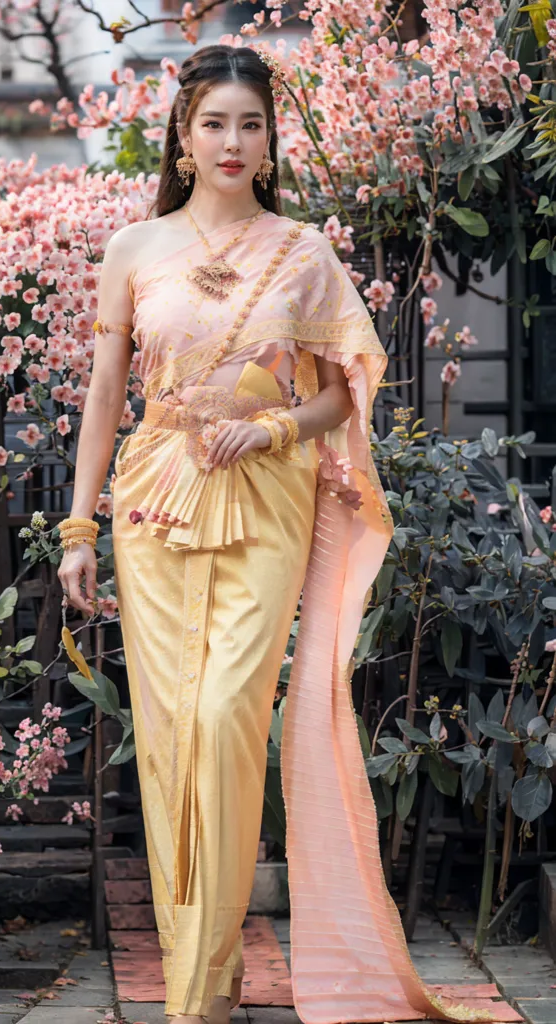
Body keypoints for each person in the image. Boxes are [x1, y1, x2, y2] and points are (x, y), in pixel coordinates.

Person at [57, 43, 508, 1024]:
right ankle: (203, 980)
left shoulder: (301, 252)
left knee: (225, 715)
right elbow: (103, 397)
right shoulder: (134, 251)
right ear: (181, 138)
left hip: (266, 500)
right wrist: (76, 527)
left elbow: (345, 398)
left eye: (250, 124)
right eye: (213, 122)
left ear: (269, 142)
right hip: (152, 503)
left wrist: (270, 425)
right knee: (173, 743)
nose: (231, 140)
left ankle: (206, 974)